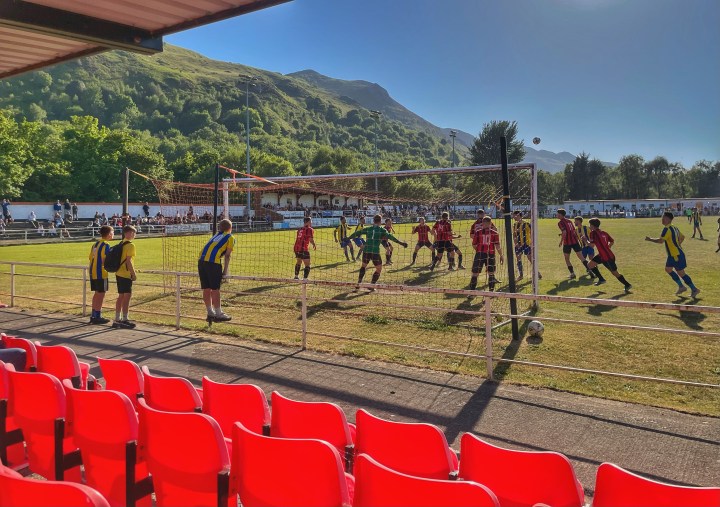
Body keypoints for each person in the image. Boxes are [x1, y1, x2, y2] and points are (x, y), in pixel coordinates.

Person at [644, 211, 700, 298]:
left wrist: (649, 239)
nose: (662, 219)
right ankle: (681, 287)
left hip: (676, 255)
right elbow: (682, 237)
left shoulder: (667, 229)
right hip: (674, 254)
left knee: (681, 273)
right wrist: (678, 245)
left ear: (667, 219)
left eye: (663, 217)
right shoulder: (674, 227)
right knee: (668, 269)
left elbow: (660, 241)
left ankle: (694, 289)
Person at [348, 214, 407, 289]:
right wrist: (401, 243)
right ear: (380, 221)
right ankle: (372, 285)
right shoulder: (382, 230)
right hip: (375, 252)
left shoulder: (368, 229)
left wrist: (348, 238)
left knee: (363, 266)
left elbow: (357, 233)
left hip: (366, 251)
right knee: (379, 269)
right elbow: (391, 237)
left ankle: (359, 283)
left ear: (373, 221)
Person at [198, 219, 234, 322]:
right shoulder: (230, 237)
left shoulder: (215, 235)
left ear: (220, 228)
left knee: (206, 288)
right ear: (230, 228)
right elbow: (227, 256)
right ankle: (219, 314)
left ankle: (210, 312)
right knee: (215, 289)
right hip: (213, 263)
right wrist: (225, 271)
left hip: (201, 261)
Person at [586, 219, 632, 292]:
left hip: (607, 258)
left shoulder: (593, 233)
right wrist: (608, 247)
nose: (589, 226)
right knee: (590, 265)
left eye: (590, 225)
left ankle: (627, 284)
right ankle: (601, 279)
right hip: (604, 255)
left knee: (615, 273)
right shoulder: (604, 233)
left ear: (592, 225)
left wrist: (585, 240)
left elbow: (591, 245)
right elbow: (612, 241)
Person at [112, 225, 138, 329]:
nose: (134, 235)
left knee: (121, 296)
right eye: (134, 233)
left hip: (118, 272)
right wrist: (133, 273)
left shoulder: (121, 243)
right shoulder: (131, 245)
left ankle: (117, 318)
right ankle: (125, 319)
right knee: (127, 296)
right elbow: (129, 261)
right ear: (130, 233)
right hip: (126, 274)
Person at [88, 225, 114, 324]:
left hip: (92, 272)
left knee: (96, 293)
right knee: (101, 294)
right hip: (101, 273)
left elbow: (90, 258)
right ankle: (97, 316)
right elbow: (104, 260)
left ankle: (93, 315)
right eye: (112, 232)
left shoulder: (95, 244)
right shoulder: (106, 245)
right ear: (109, 234)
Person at [470, 217, 503, 292]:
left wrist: (479, 251)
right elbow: (497, 246)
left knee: (475, 273)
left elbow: (474, 244)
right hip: (490, 254)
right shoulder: (495, 233)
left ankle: (472, 292)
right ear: (490, 223)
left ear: (482, 223)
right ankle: (491, 292)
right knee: (491, 273)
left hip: (480, 254)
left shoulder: (478, 232)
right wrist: (501, 255)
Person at [557, 209, 590, 279]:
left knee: (567, 259)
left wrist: (561, 241)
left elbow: (565, 232)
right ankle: (590, 270)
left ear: (560, 214)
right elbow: (573, 231)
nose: (557, 215)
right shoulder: (569, 221)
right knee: (582, 257)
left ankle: (572, 274)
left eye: (557, 214)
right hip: (575, 242)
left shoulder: (560, 223)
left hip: (567, 243)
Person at [512, 210, 540, 280]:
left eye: (514, 215)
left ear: (519, 216)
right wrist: (516, 244)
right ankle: (521, 275)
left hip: (526, 244)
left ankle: (537, 273)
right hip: (518, 245)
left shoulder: (527, 224)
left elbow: (532, 234)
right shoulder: (514, 225)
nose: (513, 217)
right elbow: (514, 235)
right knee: (518, 259)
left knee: (530, 258)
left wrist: (532, 243)